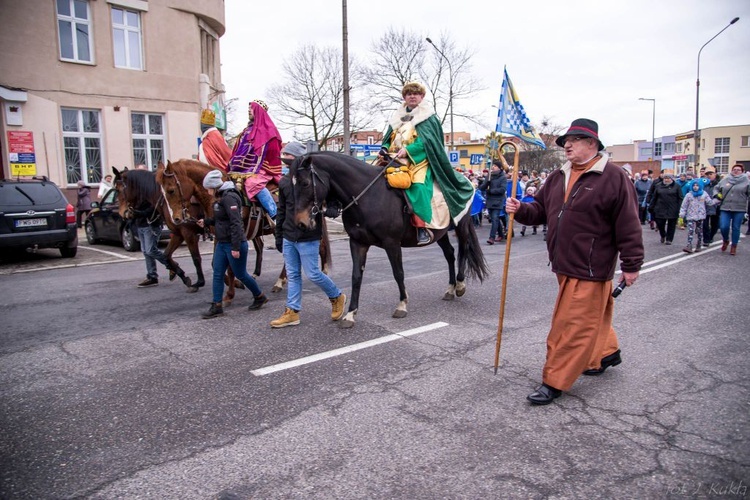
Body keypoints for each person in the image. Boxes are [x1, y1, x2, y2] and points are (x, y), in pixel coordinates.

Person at [505, 118, 643, 406]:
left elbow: (628, 225)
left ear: (592, 144)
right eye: (565, 140)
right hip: (563, 262)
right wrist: (520, 209)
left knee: (571, 325)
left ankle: (554, 380)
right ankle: (606, 352)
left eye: (575, 139)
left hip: (592, 266)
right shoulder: (558, 176)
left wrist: (631, 264)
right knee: (589, 316)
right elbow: (541, 210)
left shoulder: (614, 177)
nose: (567, 144)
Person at [380, 82, 475, 245]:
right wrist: (384, 147)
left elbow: (429, 141)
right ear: (404, 97)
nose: (412, 96)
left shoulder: (428, 117)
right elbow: (388, 138)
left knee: (418, 187)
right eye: (409, 94)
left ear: (422, 97)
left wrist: (408, 150)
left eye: (416, 94)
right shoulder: (397, 117)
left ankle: (421, 227)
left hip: (419, 162)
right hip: (392, 159)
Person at [270, 142, 347, 328]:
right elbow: (281, 210)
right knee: (293, 274)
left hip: (308, 235)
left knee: (312, 273)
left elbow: (334, 198)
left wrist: (333, 208)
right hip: (289, 235)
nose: (285, 160)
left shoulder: (315, 179)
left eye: (288, 156)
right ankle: (292, 312)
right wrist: (279, 236)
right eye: (284, 157)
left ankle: (337, 296)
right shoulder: (284, 182)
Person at [197, 170, 268, 318]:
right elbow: (221, 220)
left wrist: (236, 247)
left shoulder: (229, 198)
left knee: (241, 274)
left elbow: (236, 223)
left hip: (233, 244)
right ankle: (217, 305)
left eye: (208, 188)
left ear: (215, 187)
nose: (207, 191)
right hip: (222, 243)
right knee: (217, 273)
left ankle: (259, 296)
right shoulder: (220, 198)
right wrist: (207, 222)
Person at [227, 100, 282, 220]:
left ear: (259, 112)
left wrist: (257, 166)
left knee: (253, 183)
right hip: (241, 169)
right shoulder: (245, 131)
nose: (248, 111)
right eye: (248, 109)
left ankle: (275, 214)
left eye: (251, 109)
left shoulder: (270, 131)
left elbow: (273, 153)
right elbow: (237, 150)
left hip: (262, 169)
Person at [713, 163, 750, 255]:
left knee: (736, 228)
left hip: (739, 208)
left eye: (738, 170)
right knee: (723, 226)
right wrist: (717, 194)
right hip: (725, 207)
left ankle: (734, 245)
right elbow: (716, 188)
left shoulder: (746, 181)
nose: (736, 171)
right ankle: (725, 240)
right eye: (734, 169)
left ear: (742, 172)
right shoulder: (725, 179)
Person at [477, 160, 507, 245]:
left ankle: (492, 237)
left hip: (498, 201)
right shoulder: (489, 176)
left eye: (495, 166)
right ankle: (501, 234)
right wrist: (486, 183)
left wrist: (491, 191)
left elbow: (502, 190)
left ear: (500, 168)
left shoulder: (503, 177)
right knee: (495, 219)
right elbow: (482, 188)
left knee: (495, 219)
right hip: (489, 201)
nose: (493, 167)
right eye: (493, 166)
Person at [649, 171, 683, 245]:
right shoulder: (658, 186)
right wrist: (651, 206)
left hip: (673, 208)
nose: (666, 180)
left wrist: (680, 207)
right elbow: (654, 197)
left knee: (671, 224)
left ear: (672, 179)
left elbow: (680, 198)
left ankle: (669, 239)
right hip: (660, 207)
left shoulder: (677, 186)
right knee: (660, 223)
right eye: (665, 178)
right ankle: (663, 235)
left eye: (668, 178)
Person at [679, 179, 712, 253]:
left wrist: (717, 200)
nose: (695, 187)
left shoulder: (704, 194)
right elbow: (684, 205)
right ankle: (689, 245)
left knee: (699, 231)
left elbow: (709, 202)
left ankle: (699, 243)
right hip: (691, 215)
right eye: (693, 185)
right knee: (690, 230)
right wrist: (682, 214)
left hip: (700, 215)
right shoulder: (689, 195)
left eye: (697, 185)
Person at [702, 167, 721, 245]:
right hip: (704, 206)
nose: (709, 176)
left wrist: (716, 200)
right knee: (704, 224)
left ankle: (711, 236)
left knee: (715, 224)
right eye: (707, 174)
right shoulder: (702, 183)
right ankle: (706, 240)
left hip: (716, 206)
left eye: (710, 174)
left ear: (715, 174)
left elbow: (721, 194)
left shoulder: (720, 184)